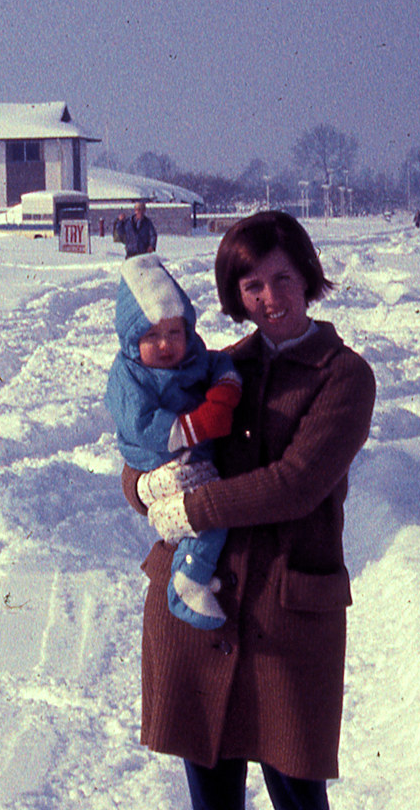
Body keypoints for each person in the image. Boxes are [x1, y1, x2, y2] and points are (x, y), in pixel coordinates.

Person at [122, 210, 375, 810]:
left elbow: (295, 484)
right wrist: (143, 490)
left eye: (282, 278)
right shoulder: (213, 367)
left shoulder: (344, 377)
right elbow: (143, 448)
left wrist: (190, 506)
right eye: (252, 285)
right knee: (210, 798)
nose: (270, 298)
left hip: (285, 617)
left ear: (308, 277)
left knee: (297, 794)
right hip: (198, 609)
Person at [106, 254, 243, 629]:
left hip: (193, 452)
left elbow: (218, 363)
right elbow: (141, 424)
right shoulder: (129, 375)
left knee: (204, 509)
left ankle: (195, 564)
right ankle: (188, 581)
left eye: (174, 333)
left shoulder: (193, 354)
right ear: (132, 340)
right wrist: (196, 424)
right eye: (151, 336)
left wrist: (226, 389)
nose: (165, 345)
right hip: (159, 457)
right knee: (206, 513)